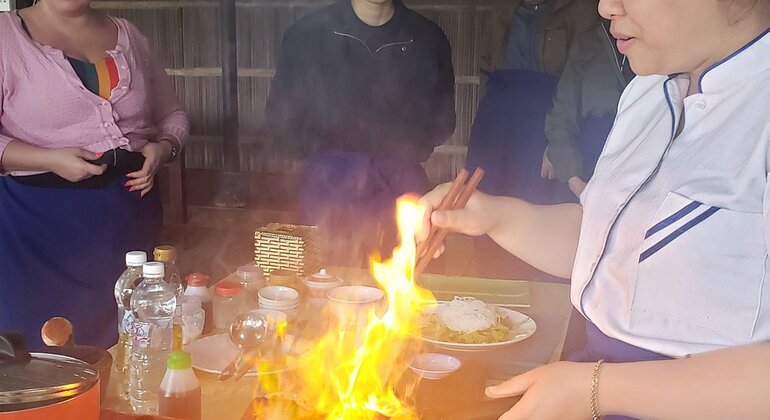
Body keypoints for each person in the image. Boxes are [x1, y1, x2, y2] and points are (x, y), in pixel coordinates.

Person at [420, 0, 770, 418]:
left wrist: (598, 389)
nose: (605, 7)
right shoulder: (648, 93)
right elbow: (609, 247)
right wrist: (495, 216)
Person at [0, 0, 189, 349]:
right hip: (37, 226)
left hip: (128, 219)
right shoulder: (5, 39)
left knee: (132, 343)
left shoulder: (129, 36)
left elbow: (173, 114)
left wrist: (163, 148)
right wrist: (49, 159)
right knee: (40, 350)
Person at [265, 0, 455, 266]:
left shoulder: (427, 38)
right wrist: (328, 159)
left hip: (400, 192)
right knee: (323, 289)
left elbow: (443, 120)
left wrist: (401, 153)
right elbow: (280, 117)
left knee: (405, 291)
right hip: (327, 192)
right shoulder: (307, 34)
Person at [540, 18, 635, 199]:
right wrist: (576, 183)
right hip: (586, 174)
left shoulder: (664, 50)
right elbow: (562, 117)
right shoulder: (589, 44)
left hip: (645, 178)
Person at [480, 0, 598, 78]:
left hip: (552, 106)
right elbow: (485, 65)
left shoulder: (581, 9)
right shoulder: (503, 8)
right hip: (501, 102)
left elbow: (583, 73)